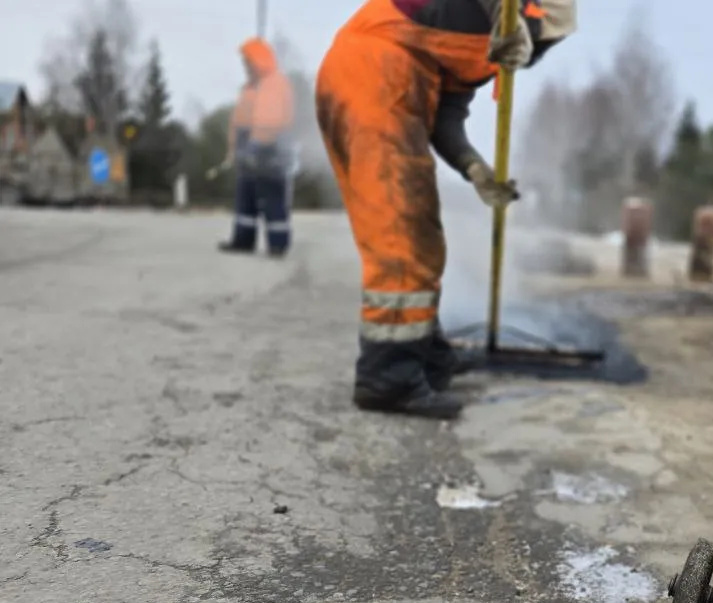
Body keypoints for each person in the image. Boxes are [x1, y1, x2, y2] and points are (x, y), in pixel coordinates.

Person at [315, 0, 577, 419]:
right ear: (532, 12)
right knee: (400, 239)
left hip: (397, 87)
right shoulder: (497, 15)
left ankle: (426, 355)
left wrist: (475, 169)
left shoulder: (481, 50)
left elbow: (447, 119)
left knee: (422, 237)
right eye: (544, 40)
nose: (540, 52)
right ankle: (388, 380)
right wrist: (507, 20)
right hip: (373, 76)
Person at [217, 38, 296, 258]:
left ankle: (278, 244)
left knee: (272, 197)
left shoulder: (274, 83)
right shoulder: (249, 88)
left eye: (247, 61)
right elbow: (238, 122)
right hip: (248, 150)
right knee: (246, 197)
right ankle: (243, 240)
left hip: (270, 151)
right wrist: (234, 150)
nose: (245, 66)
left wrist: (255, 145)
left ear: (258, 61)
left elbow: (271, 121)